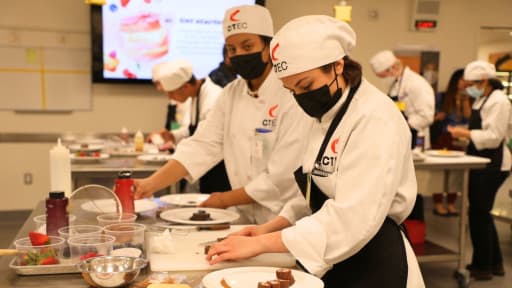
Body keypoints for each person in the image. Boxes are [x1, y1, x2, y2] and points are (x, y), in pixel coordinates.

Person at [206, 16, 425, 287]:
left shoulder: (374, 118)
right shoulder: (325, 115)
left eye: (306, 86)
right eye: (291, 90)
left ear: (337, 65)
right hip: (340, 260)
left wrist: (262, 244)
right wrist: (270, 227)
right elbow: (314, 190)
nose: (301, 97)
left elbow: (351, 218)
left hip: (376, 260)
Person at [134, 5, 310, 225]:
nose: (238, 55)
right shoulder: (231, 94)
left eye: (247, 46)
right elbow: (202, 145)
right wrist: (148, 185)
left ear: (268, 47)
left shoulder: (291, 92)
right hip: (244, 217)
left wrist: (225, 198)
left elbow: (282, 176)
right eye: (232, 49)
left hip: (286, 220)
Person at [448, 60, 511, 280]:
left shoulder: (499, 101)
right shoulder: (483, 99)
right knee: (481, 214)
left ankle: (482, 267)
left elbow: (493, 138)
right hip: (480, 160)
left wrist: (465, 134)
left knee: (479, 215)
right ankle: (494, 263)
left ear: (485, 81)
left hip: (493, 164)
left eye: (472, 83)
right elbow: (481, 129)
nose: (469, 88)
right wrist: (465, 133)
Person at [150, 59, 231, 194]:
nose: (169, 97)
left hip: (220, 170)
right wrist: (173, 136)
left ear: (185, 86)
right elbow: (192, 129)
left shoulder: (212, 99)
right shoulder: (196, 95)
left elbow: (206, 142)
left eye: (171, 93)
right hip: (208, 169)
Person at [370, 50, 435, 149]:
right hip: (399, 140)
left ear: (393, 68)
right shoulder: (395, 84)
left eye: (383, 76)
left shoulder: (416, 83)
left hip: (415, 140)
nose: (382, 80)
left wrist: (402, 126)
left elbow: (426, 116)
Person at [430, 68, 471, 216]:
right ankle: (438, 202)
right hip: (443, 138)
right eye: (462, 80)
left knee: (456, 174)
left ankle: (452, 203)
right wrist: (438, 117)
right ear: (456, 81)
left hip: (459, 140)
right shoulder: (442, 97)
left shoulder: (470, 99)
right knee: (439, 173)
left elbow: (468, 119)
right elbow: (432, 117)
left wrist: (465, 101)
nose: (465, 83)